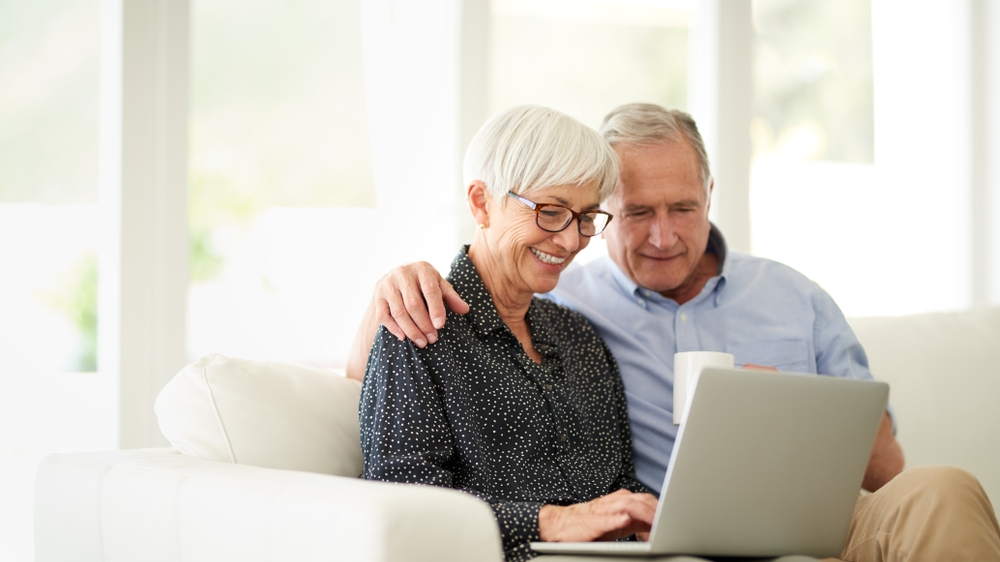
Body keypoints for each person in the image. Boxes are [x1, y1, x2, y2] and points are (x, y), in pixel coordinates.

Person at [349, 103, 1000, 561]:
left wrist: (791, 417)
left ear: (710, 193)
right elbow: (393, 450)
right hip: (652, 540)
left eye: (682, 208)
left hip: (794, 524)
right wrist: (391, 291)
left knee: (944, 488)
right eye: (633, 214)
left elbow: (887, 469)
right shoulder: (535, 295)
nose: (662, 236)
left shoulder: (578, 332)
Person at [358, 104, 658, 562]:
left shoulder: (578, 336)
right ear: (481, 203)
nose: (570, 240)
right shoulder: (418, 329)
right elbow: (405, 505)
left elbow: (617, 480)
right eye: (551, 211)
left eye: (585, 217)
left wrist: (659, 516)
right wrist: (554, 522)